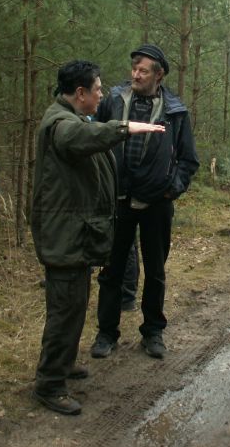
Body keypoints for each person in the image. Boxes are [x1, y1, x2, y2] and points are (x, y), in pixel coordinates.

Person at [30, 60, 165, 415]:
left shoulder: (74, 118)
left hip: (75, 233)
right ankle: (49, 384)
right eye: (98, 89)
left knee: (74, 305)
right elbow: (80, 139)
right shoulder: (62, 124)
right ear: (80, 93)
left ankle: (62, 364)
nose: (102, 95)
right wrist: (124, 128)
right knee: (65, 310)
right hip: (65, 235)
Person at [91, 44, 199, 360]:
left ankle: (153, 332)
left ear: (159, 75)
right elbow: (93, 136)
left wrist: (171, 189)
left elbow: (189, 159)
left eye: (143, 71)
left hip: (157, 203)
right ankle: (106, 333)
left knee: (155, 271)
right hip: (118, 199)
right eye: (134, 69)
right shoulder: (113, 100)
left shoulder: (175, 111)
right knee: (111, 269)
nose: (136, 75)